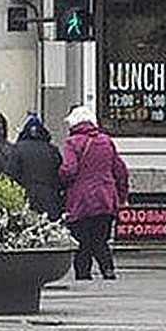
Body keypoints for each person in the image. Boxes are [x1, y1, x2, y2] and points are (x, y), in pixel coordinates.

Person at [60, 105, 128, 281]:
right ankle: (108, 269)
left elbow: (69, 170)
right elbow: (120, 170)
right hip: (106, 197)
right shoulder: (106, 141)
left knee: (82, 240)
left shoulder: (72, 143)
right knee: (101, 238)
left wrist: (60, 178)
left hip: (81, 199)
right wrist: (121, 196)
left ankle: (83, 274)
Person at [13, 114, 62, 218]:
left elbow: (11, 175)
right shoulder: (53, 150)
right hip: (50, 200)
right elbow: (60, 176)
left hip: (26, 199)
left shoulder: (17, 149)